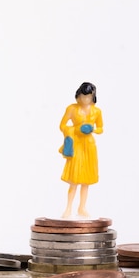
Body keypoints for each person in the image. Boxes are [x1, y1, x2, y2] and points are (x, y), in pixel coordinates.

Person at [58, 82, 103, 218]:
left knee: (86, 180)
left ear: (93, 97)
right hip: (76, 144)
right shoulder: (72, 108)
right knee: (74, 179)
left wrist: (93, 129)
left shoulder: (97, 111)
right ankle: (68, 208)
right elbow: (62, 125)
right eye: (83, 97)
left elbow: (101, 128)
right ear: (78, 95)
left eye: (88, 97)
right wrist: (73, 130)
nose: (85, 100)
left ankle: (82, 207)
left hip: (89, 145)